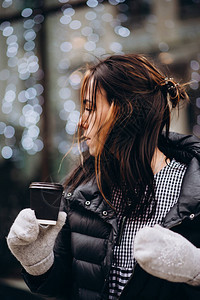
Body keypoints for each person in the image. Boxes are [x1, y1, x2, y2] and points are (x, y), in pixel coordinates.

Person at [7, 54, 200, 300]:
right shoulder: (83, 191)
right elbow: (65, 287)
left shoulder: (192, 193)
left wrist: (196, 271)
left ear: (126, 110)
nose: (81, 121)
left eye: (90, 108)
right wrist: (38, 262)